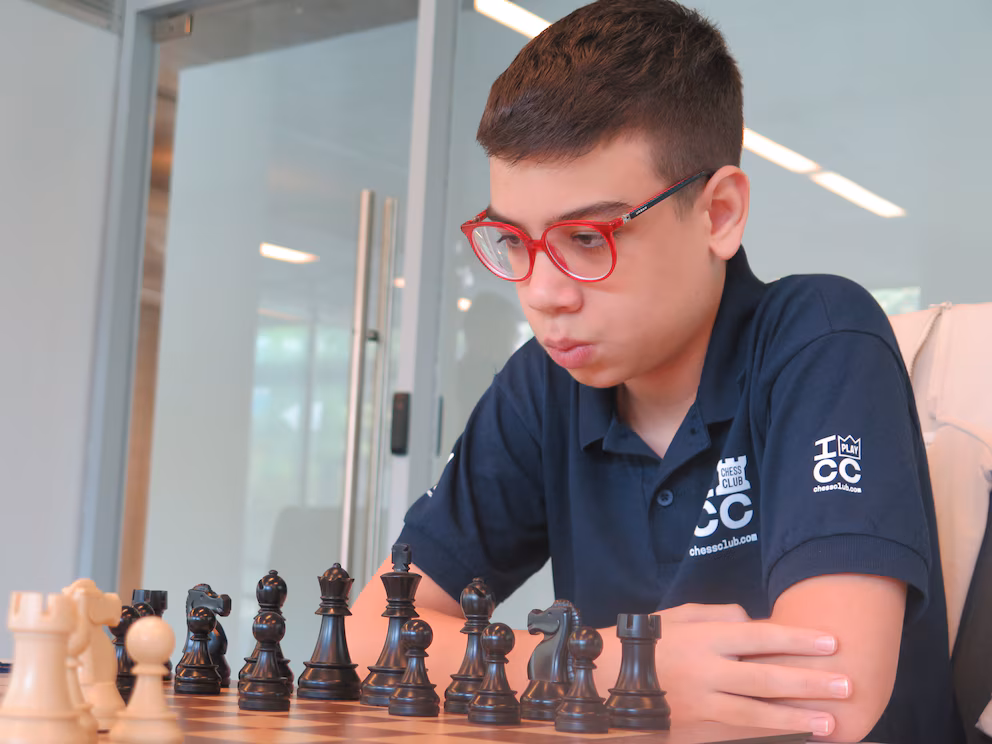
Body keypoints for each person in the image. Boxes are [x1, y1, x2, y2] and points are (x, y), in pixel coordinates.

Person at [350, 1, 962, 741]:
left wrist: (562, 674)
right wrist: (622, 668)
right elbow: (369, 636)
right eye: (512, 241)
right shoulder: (544, 385)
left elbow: (831, 691)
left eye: (586, 237)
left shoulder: (822, 338)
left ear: (718, 214)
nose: (542, 293)